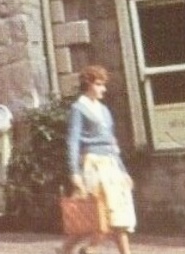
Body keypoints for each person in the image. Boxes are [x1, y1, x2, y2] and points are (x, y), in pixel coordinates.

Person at [58, 65, 136, 254]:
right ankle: (70, 250)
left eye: (103, 84)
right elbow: (73, 141)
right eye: (99, 84)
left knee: (120, 213)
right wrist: (74, 172)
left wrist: (123, 171)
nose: (103, 89)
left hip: (111, 165)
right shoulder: (79, 108)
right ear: (88, 85)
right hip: (92, 164)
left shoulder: (104, 110)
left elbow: (111, 144)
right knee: (97, 213)